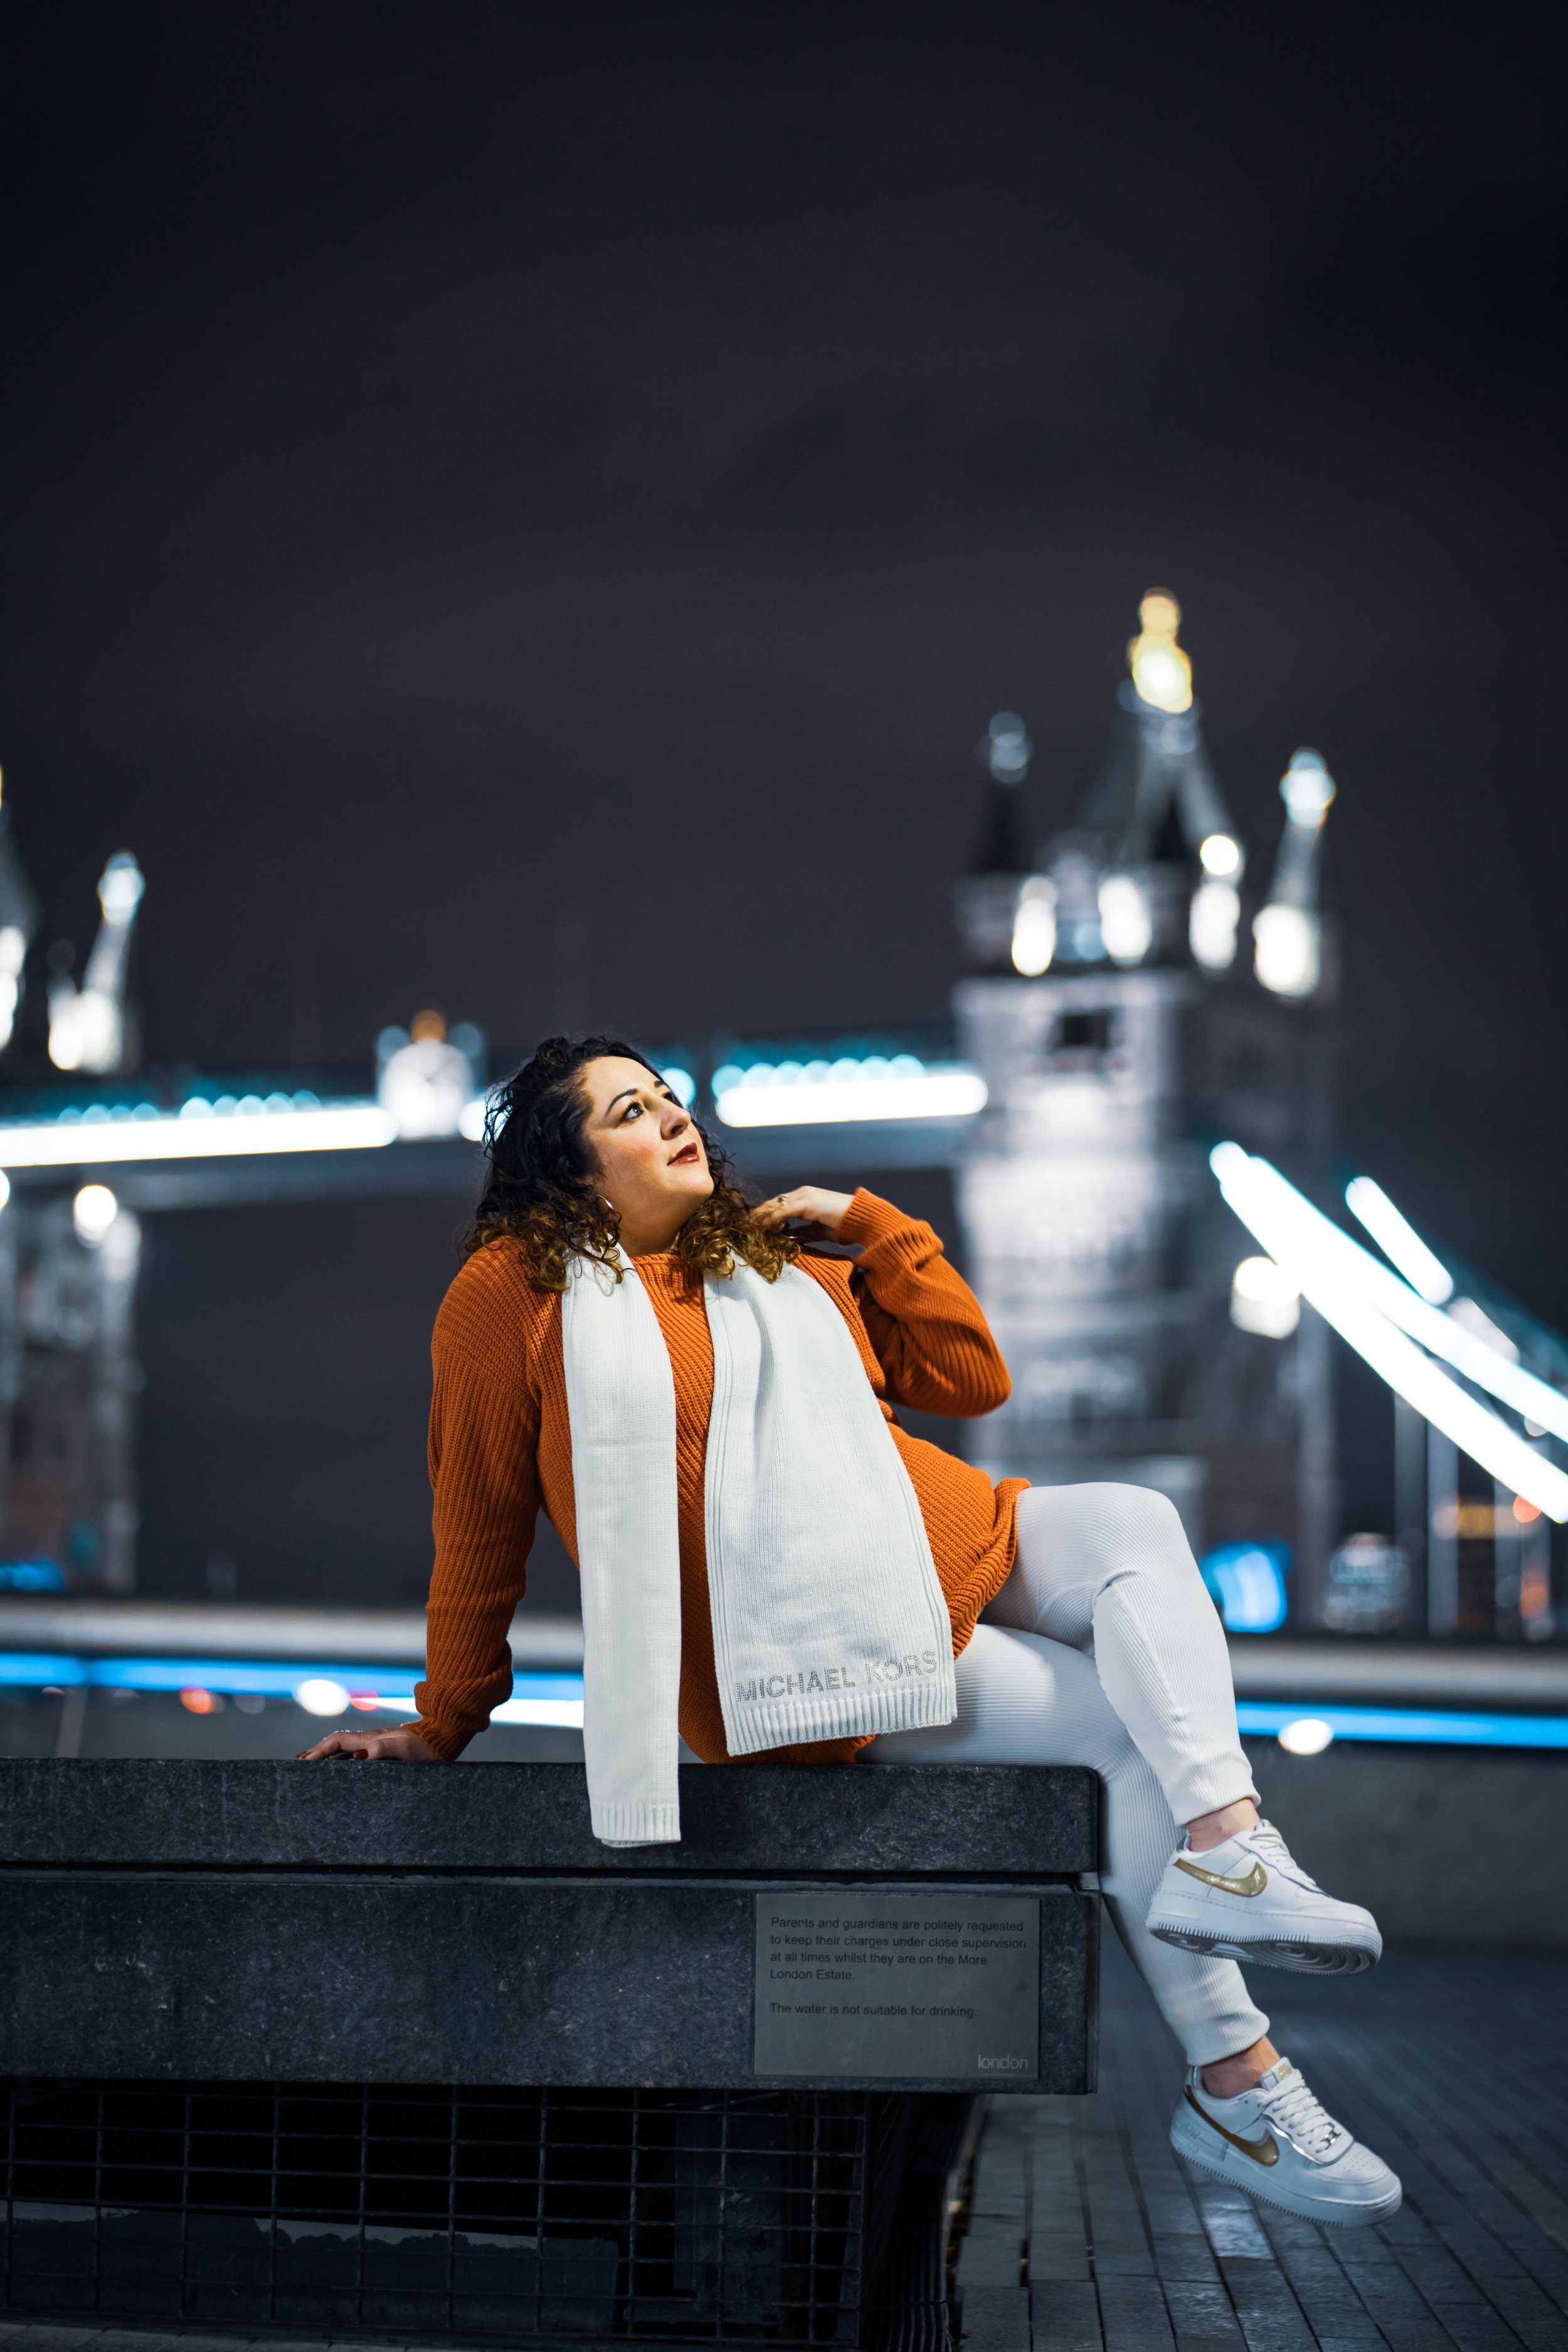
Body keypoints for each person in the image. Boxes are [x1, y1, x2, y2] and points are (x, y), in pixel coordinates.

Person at [303, 1033, 1399, 2229]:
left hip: (957, 1537)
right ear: (569, 1169)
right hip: (818, 1652)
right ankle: (1239, 2084)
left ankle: (1231, 1848)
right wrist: (443, 1721)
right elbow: (476, 1521)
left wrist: (872, 1224)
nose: (673, 1116)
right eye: (629, 1109)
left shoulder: (773, 1265)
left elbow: (972, 1380)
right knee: (1114, 1734)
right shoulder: (513, 1290)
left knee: (1137, 1520)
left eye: (670, 1096)